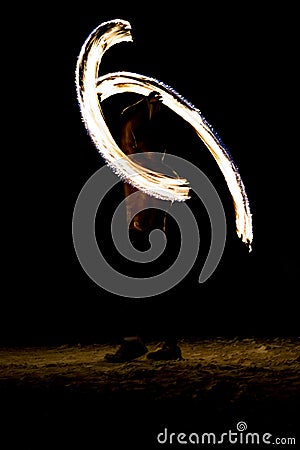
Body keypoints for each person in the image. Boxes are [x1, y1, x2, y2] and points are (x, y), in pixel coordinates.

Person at [105, 91, 182, 362]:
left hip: (147, 213)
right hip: (141, 211)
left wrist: (145, 211)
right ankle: (144, 341)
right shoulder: (135, 123)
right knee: (142, 278)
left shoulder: (139, 126)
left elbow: (151, 171)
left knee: (143, 278)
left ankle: (144, 343)